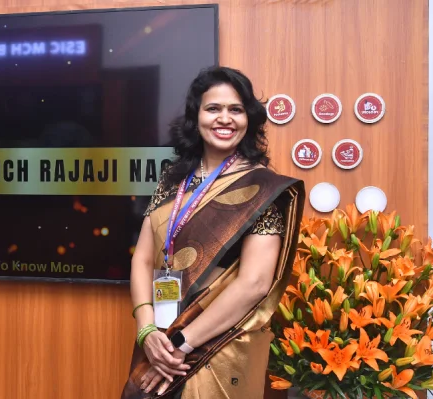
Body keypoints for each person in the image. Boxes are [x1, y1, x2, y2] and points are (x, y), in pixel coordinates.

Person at [121, 66, 305, 399]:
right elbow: (144, 258)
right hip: (160, 339)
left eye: (236, 109)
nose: (225, 118)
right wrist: (146, 329)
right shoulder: (172, 182)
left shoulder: (262, 188)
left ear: (249, 118)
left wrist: (183, 343)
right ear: (196, 117)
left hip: (221, 344)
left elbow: (254, 283)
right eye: (213, 108)